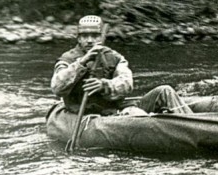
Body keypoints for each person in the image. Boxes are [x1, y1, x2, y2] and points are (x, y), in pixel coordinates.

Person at [51, 15, 191, 115]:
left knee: (164, 90)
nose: (89, 40)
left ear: (101, 38)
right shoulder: (67, 59)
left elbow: (127, 83)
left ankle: (193, 124)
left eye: (94, 36)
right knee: (136, 114)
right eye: (85, 36)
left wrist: (104, 85)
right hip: (84, 114)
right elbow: (57, 87)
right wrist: (82, 62)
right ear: (79, 38)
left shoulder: (114, 57)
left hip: (112, 110)